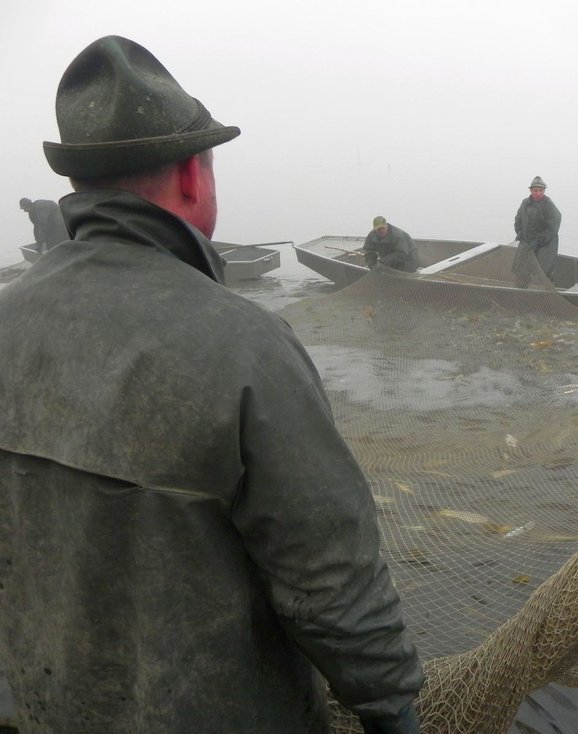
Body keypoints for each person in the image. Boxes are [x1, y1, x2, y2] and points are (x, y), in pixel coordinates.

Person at [0, 36, 422, 734]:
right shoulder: (246, 346)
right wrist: (393, 711)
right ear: (194, 178)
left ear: (78, 185)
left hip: (47, 707)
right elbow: (332, 584)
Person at [513, 176, 561, 281]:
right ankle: (521, 292)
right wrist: (520, 232)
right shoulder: (524, 203)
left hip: (545, 244)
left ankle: (547, 294)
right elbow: (518, 219)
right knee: (521, 270)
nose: (538, 193)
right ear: (530, 190)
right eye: (535, 190)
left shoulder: (549, 205)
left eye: (541, 190)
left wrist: (540, 240)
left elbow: (553, 227)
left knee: (544, 273)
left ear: (544, 191)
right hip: (527, 241)